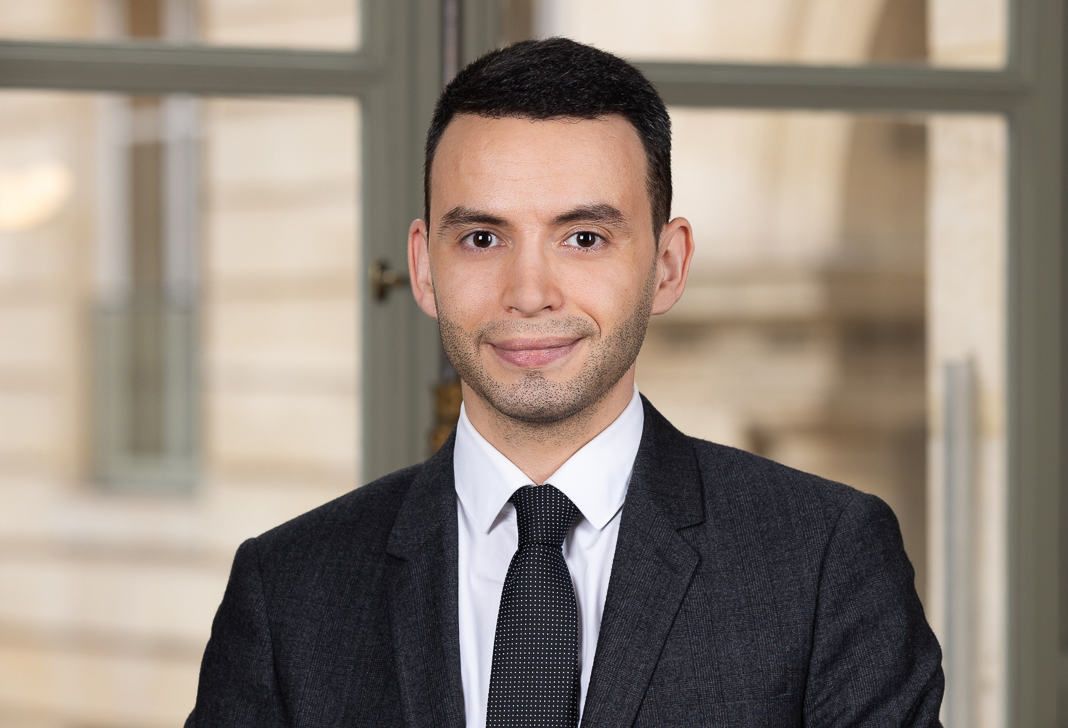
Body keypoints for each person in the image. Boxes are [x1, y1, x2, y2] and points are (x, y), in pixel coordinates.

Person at [186, 38, 943, 727]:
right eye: (482, 237)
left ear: (668, 265)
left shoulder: (823, 559)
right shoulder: (288, 589)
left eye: (583, 238)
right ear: (423, 267)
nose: (529, 293)